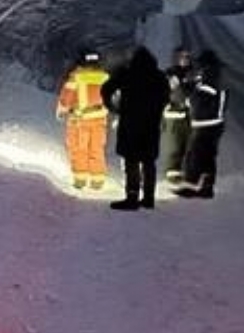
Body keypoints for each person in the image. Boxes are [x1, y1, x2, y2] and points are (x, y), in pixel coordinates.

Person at [100, 46, 170, 211]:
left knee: (131, 160)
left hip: (130, 122)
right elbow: (166, 98)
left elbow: (105, 89)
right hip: (151, 124)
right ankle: (148, 198)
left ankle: (132, 197)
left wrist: (113, 108)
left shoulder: (127, 74)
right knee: (148, 161)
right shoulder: (159, 76)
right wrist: (157, 110)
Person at [55, 48, 110, 190]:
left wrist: (61, 111)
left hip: (79, 120)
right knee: (97, 149)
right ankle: (97, 181)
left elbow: (65, 99)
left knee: (79, 149)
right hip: (100, 120)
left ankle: (80, 179)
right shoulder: (105, 77)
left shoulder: (75, 77)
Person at [177, 50, 227, 199]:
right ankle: (206, 187)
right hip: (212, 124)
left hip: (205, 124)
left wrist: (187, 90)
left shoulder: (210, 79)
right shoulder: (214, 77)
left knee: (195, 156)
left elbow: (197, 97)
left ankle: (191, 187)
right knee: (207, 156)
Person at [160, 47, 194, 182]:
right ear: (176, 58)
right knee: (174, 143)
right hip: (173, 115)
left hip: (190, 114)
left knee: (190, 143)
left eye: (187, 57)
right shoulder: (170, 74)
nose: (184, 59)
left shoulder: (194, 74)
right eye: (181, 56)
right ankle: (173, 171)